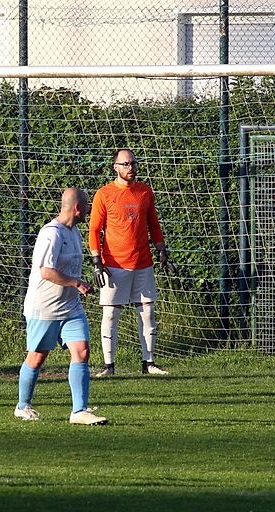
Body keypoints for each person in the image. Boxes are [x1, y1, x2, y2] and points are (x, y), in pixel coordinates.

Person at [15, 187, 108, 425]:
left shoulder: (74, 232)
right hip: (44, 307)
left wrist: (77, 284)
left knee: (82, 350)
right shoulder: (51, 234)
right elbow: (46, 272)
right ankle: (23, 406)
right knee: (37, 357)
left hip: (70, 306)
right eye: (86, 206)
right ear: (77, 208)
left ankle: (79, 411)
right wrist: (76, 282)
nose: (88, 210)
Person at [89, 148, 176, 377]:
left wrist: (162, 251)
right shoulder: (104, 194)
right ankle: (109, 366)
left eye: (133, 163)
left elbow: (153, 224)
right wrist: (97, 261)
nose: (131, 168)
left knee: (147, 312)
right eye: (125, 164)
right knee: (110, 314)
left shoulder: (145, 192)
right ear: (115, 167)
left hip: (143, 263)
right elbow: (94, 229)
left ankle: (149, 363)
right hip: (114, 265)